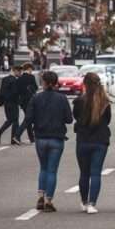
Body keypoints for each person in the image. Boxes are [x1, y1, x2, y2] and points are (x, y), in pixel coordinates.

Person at [17, 71, 73, 213]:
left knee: (43, 168)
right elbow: (69, 119)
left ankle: (40, 196)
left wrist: (19, 132)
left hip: (41, 137)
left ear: (44, 82)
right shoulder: (62, 99)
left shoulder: (36, 98)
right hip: (57, 138)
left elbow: (28, 118)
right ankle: (49, 200)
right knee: (52, 170)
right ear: (55, 83)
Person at [72, 73, 111, 214]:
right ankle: (92, 203)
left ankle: (83, 201)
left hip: (83, 140)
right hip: (100, 140)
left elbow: (76, 117)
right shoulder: (105, 102)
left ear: (85, 84)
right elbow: (107, 120)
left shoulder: (78, 101)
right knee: (96, 173)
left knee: (84, 173)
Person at [0, 65, 22, 145]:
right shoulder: (14, 80)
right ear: (15, 71)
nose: (20, 73)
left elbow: (2, 91)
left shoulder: (5, 79)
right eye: (19, 71)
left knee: (12, 120)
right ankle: (0, 133)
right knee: (13, 120)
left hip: (6, 103)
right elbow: (15, 93)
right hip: (13, 103)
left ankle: (13, 138)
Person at [16, 63, 39, 143]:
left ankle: (31, 138)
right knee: (28, 119)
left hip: (22, 101)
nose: (31, 71)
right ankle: (17, 135)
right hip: (30, 100)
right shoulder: (31, 77)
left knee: (28, 118)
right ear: (29, 69)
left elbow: (18, 91)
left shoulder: (20, 78)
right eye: (31, 69)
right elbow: (35, 87)